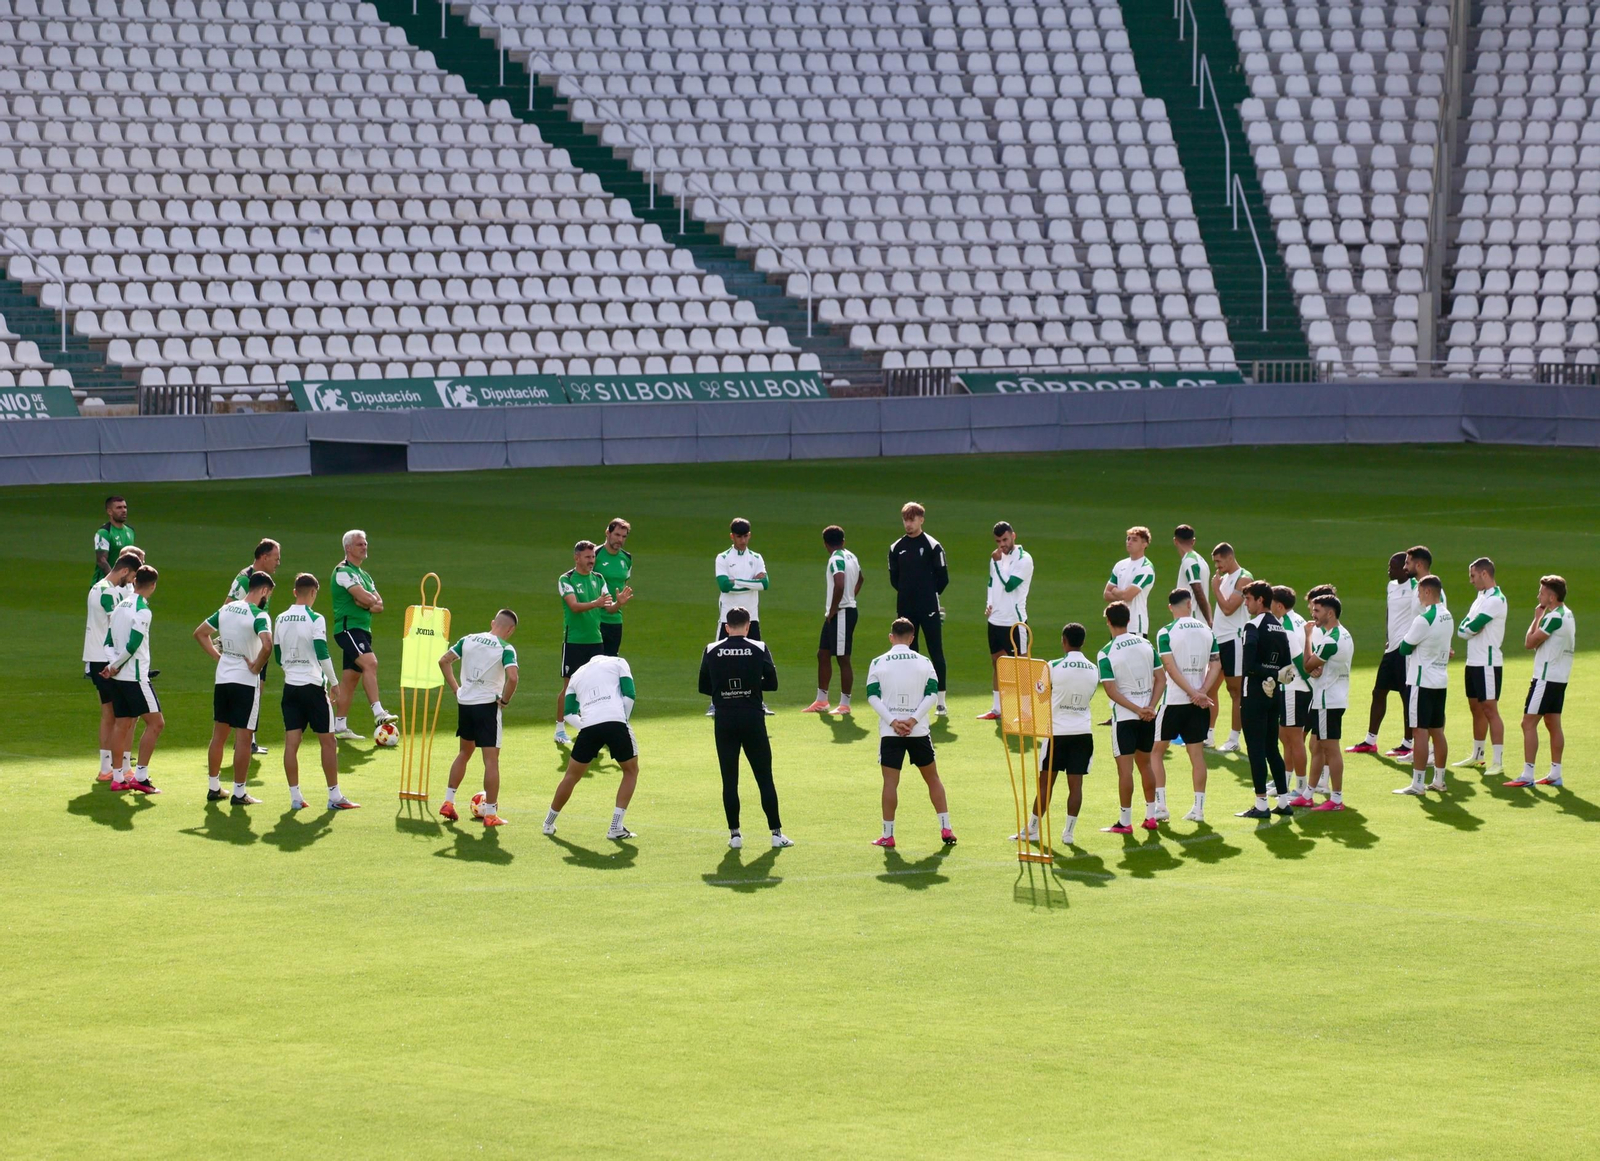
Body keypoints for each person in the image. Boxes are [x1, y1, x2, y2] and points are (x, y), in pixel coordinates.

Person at [699, 607, 791, 849]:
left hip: (725, 719)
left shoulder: (711, 649)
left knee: (729, 780)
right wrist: (751, 686)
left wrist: (724, 691)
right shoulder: (759, 648)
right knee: (764, 777)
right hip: (752, 718)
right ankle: (776, 833)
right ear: (748, 626)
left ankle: (735, 835)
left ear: (727, 627)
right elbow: (773, 683)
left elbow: (703, 686)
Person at [865, 618, 957, 848]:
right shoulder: (924, 662)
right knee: (932, 779)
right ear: (912, 638)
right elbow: (933, 694)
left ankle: (888, 834)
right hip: (919, 731)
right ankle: (946, 827)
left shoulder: (878, 662)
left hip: (890, 732)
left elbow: (872, 696)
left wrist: (894, 722)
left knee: (890, 783)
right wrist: (914, 719)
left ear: (891, 636)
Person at [274, 573, 359, 810]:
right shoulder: (316, 618)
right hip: (312, 686)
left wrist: (292, 670)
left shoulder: (279, 618)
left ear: (294, 592)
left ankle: (295, 798)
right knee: (328, 742)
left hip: (290, 687)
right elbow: (322, 652)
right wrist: (334, 682)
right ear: (313, 592)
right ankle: (335, 797)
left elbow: (278, 656)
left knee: (292, 743)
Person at [1012, 623, 1098, 847]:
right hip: (1083, 732)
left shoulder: (1052, 666)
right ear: (1083, 641)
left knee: (1045, 784)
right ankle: (1068, 833)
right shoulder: (1093, 668)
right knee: (1075, 785)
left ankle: (1032, 829)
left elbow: (1040, 696)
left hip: (1057, 733)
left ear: (1064, 640)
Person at [193, 571, 274, 804]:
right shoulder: (259, 614)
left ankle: (214, 787)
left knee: (218, 735)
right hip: (245, 681)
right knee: (244, 738)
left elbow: (200, 634)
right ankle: (239, 792)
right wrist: (257, 667)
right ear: (264, 591)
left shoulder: (226, 609)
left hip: (223, 677)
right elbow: (267, 645)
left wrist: (219, 657)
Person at [544, 653, 641, 840]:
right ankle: (615, 827)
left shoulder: (577, 674)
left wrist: (588, 726)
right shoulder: (619, 662)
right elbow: (630, 694)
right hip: (616, 721)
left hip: (588, 727)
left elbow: (569, 713)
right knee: (630, 771)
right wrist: (624, 721)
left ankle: (548, 823)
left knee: (571, 776)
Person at [438, 610, 519, 826]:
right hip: (487, 707)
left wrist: (457, 689)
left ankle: (448, 801)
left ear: (493, 622)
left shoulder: (468, 639)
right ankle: (491, 814)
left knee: (464, 753)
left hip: (465, 705)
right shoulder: (506, 648)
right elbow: (513, 677)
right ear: (510, 630)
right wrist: (505, 700)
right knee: (491, 761)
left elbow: (444, 661)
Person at [1096, 601, 1164, 833]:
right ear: (1128, 620)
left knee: (1125, 771)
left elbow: (1111, 690)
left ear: (1108, 622)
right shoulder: (1147, 645)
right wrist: (1150, 706)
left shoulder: (1106, 652)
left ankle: (1125, 821)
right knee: (1145, 765)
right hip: (1148, 715)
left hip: (1125, 718)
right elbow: (1161, 678)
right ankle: (1151, 816)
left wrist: (1136, 709)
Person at [1153, 589, 1219, 823]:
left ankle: (1161, 806)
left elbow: (1170, 668)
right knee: (1196, 754)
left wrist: (1192, 692)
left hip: (1174, 701)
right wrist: (1202, 692)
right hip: (1198, 704)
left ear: (1170, 607)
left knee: (1156, 752)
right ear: (1190, 604)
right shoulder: (1207, 631)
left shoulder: (1165, 632)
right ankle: (1198, 809)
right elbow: (1216, 664)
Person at [1508, 575, 1575, 788]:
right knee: (1553, 723)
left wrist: (1537, 617)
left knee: (1527, 723)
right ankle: (1556, 773)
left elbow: (1529, 642)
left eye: (1542, 592)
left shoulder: (1552, 617)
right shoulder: (1568, 615)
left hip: (1545, 678)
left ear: (1552, 597)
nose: (1539, 596)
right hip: (1560, 679)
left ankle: (1527, 775)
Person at [329, 530, 397, 741]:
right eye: (359, 544)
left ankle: (339, 727)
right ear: (348, 548)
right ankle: (378, 713)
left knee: (350, 679)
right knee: (371, 663)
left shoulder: (364, 575)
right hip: (349, 629)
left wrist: (366, 602)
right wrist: (366, 601)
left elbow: (379, 604)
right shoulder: (343, 571)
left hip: (363, 630)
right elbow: (366, 599)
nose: (364, 547)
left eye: (365, 543)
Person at [102, 564, 164, 795]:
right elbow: (134, 644)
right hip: (136, 678)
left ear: (135, 580)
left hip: (119, 679)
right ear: (153, 586)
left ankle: (118, 777)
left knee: (122, 724)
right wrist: (116, 666)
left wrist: (111, 666)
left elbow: (107, 641)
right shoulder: (142, 611)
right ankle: (140, 776)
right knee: (156, 724)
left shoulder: (120, 605)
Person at [1235, 580, 1294, 819]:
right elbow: (1287, 668)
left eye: (1248, 599)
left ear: (1260, 600)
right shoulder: (1280, 627)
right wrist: (1275, 676)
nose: (1246, 603)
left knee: (1256, 749)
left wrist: (1267, 674)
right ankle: (1283, 801)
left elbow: (1249, 665)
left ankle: (1261, 804)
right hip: (1275, 694)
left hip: (1254, 694)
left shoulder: (1253, 626)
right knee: (1272, 748)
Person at [1347, 552, 1415, 756]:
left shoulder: (1415, 588)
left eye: (1392, 566)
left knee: (1406, 696)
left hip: (1406, 649)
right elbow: (1389, 613)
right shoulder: (1391, 587)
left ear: (1405, 568)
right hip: (1391, 648)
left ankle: (1408, 743)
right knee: (1378, 692)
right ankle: (1370, 740)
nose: (1389, 570)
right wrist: (1388, 636)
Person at [888, 502, 950, 715]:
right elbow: (894, 579)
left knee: (936, 652)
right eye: (906, 519)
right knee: (908, 654)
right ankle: (914, 698)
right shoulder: (896, 548)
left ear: (921, 519)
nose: (908, 523)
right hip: (906, 609)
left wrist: (929, 596)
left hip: (929, 608)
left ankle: (940, 700)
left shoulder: (933, 546)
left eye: (912, 519)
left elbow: (943, 579)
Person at [1394, 574, 1453, 796]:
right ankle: (1439, 779)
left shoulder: (1424, 618)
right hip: (1440, 680)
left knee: (1419, 732)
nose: (1418, 597)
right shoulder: (1447, 615)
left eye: (1419, 592)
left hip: (1421, 681)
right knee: (1438, 731)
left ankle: (1418, 784)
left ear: (1428, 592)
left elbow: (1404, 648)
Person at [85, 552, 140, 782]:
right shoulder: (107, 592)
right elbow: (117, 623)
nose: (132, 581)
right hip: (105, 659)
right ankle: (116, 768)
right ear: (125, 571)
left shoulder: (99, 587)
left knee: (112, 714)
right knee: (120, 714)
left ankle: (111, 767)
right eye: (133, 576)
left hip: (98, 656)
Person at [556, 539, 615, 746]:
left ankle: (590, 727)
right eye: (588, 557)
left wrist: (618, 604)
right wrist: (596, 603)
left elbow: (608, 607)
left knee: (594, 685)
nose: (591, 561)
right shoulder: (566, 579)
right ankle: (560, 728)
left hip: (595, 640)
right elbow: (573, 606)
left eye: (593, 557)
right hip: (574, 641)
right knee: (569, 685)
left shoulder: (599, 578)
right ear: (577, 557)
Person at [976, 520, 1035, 721]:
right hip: (995, 620)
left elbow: (1010, 585)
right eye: (998, 541)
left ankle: (1026, 712)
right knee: (997, 664)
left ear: (1013, 536)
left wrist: (999, 562)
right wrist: (989, 603)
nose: (1002, 544)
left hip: (1015, 622)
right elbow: (991, 583)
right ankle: (997, 709)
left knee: (1022, 666)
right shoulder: (996, 558)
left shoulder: (1024, 560)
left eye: (1005, 539)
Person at [712, 517, 771, 716]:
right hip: (728, 618)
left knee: (757, 661)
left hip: (751, 618)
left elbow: (765, 584)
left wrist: (737, 581)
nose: (743, 541)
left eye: (746, 536)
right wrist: (750, 582)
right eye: (739, 537)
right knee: (720, 660)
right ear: (732, 536)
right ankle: (716, 702)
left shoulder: (756, 557)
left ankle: (758, 702)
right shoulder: (723, 558)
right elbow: (724, 586)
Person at [228, 538, 281, 756]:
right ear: (264, 557)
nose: (278, 562)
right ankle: (242, 739)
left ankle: (249, 739)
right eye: (276, 558)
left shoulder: (265, 580)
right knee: (249, 687)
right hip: (247, 643)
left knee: (258, 687)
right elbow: (228, 606)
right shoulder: (245, 579)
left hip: (258, 641)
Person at [1300, 593, 1354, 811]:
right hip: (1332, 697)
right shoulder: (1344, 634)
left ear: (1330, 613)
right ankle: (1308, 793)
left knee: (1330, 749)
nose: (1313, 614)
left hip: (1327, 700)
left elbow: (1307, 665)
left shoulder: (1330, 641)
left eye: (1317, 610)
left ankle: (1337, 799)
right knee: (1316, 746)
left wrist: (1307, 637)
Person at [1456, 557, 1509, 775]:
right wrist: (1468, 629)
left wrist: (1469, 628)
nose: (1471, 581)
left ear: (1484, 574)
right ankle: (1478, 756)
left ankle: (1498, 761)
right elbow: (1463, 627)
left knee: (1490, 709)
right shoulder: (1480, 597)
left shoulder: (1496, 599)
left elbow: (1473, 625)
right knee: (1475, 708)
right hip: (1473, 661)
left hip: (1488, 663)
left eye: (1473, 576)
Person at [806, 525, 863, 714]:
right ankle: (822, 700)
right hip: (840, 612)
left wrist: (834, 608)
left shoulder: (835, 559)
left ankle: (845, 704)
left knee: (842, 658)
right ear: (843, 540)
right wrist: (850, 596)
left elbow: (839, 583)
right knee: (823, 653)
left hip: (842, 613)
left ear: (825, 544)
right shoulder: (851, 556)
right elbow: (861, 579)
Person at [1208, 542, 1253, 752]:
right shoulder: (1223, 578)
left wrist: (1215, 589)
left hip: (1234, 640)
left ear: (1229, 558)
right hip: (1218, 640)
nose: (1217, 566)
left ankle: (1234, 738)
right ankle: (1208, 734)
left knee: (1235, 691)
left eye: (1218, 561)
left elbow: (1228, 608)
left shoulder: (1244, 578)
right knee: (1209, 688)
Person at [1271, 586, 1312, 803]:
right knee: (1286, 738)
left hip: (1293, 689)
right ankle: (1285, 782)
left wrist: (1309, 684)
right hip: (1293, 689)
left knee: (1294, 739)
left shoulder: (1286, 626)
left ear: (1279, 605)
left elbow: (1297, 660)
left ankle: (1301, 787)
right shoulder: (1297, 620)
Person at [1103, 525, 1157, 637]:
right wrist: (1121, 594)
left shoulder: (1146, 568)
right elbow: (1106, 595)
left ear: (1144, 544)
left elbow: (1127, 596)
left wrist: (1116, 591)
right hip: (1116, 625)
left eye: (1134, 540)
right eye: (1128, 538)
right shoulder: (1120, 565)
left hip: (1135, 626)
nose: (1129, 542)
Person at [593, 518, 635, 657]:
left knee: (610, 664)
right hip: (595, 620)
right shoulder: (594, 555)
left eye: (624, 536)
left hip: (615, 620)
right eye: (617, 535)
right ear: (607, 533)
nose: (620, 540)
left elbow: (623, 584)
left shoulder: (627, 558)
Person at [1173, 524, 1213, 623]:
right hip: (1199, 620)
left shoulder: (1189, 561)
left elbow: (1198, 590)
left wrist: (1208, 620)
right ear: (1193, 541)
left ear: (1175, 541)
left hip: (1192, 619)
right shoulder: (1201, 560)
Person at [93, 494, 136, 582]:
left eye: (125, 507)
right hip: (104, 585)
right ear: (109, 511)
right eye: (119, 508)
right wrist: (115, 580)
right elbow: (101, 560)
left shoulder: (130, 531)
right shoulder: (104, 532)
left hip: (124, 584)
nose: (123, 510)